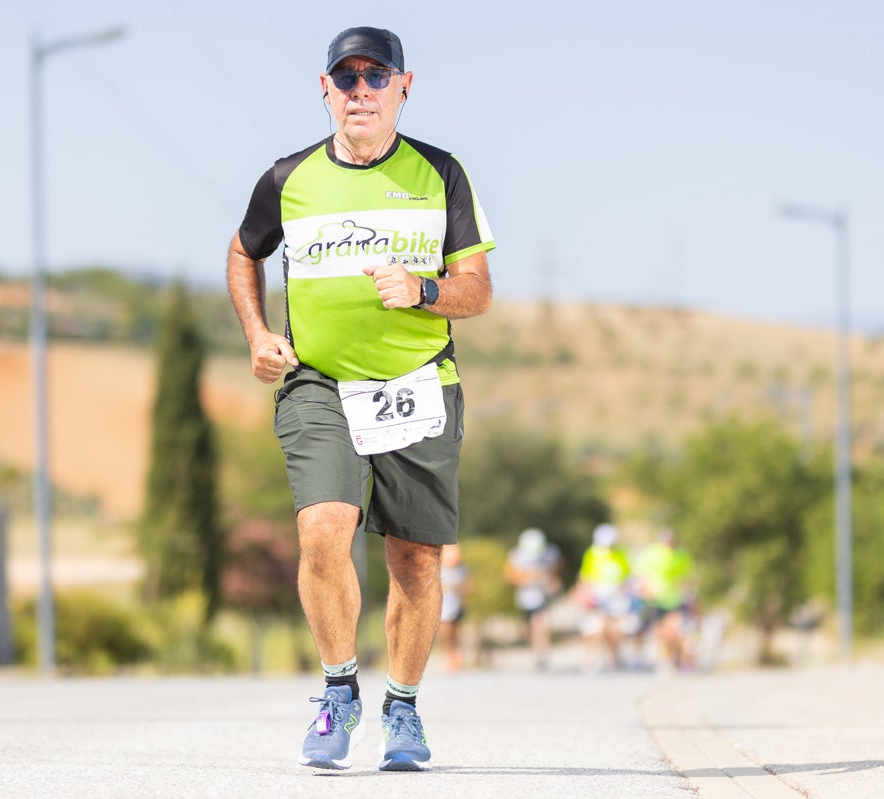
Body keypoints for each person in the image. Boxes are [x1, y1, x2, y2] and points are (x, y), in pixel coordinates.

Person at [226, 26, 495, 773]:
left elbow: (478, 292)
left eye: (376, 78)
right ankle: (338, 689)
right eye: (346, 79)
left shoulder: (442, 174)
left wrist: (424, 289)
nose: (360, 92)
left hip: (418, 386)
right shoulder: (287, 178)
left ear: (405, 87)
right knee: (322, 531)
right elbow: (245, 249)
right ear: (324, 90)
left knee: (415, 559)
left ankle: (402, 707)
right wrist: (256, 331)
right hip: (320, 382)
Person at [633, 529, 697, 671]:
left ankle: (681, 660)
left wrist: (688, 594)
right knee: (660, 632)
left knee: (679, 630)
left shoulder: (682, 555)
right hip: (655, 600)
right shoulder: (650, 553)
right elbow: (640, 576)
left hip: (675, 599)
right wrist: (644, 590)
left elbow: (687, 578)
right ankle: (665, 659)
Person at [572, 524, 633, 673]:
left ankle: (614, 658)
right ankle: (592, 660)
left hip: (616, 597)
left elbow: (627, 576)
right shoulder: (592, 554)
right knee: (597, 628)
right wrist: (585, 594)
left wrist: (624, 591)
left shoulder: (621, 554)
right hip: (597, 597)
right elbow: (584, 577)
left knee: (615, 630)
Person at [504, 528, 562, 670]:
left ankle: (542, 654)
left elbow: (557, 571)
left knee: (541, 624)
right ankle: (535, 651)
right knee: (530, 628)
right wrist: (528, 578)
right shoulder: (516, 556)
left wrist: (553, 583)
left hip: (543, 597)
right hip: (526, 598)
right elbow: (509, 576)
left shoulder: (551, 554)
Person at [438, 543, 472, 673]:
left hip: (457, 606)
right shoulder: (438, 568)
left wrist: (456, 588)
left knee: (455, 632)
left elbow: (468, 588)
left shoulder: (462, 569)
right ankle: (450, 656)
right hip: (443, 607)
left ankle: (456, 655)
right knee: (445, 632)